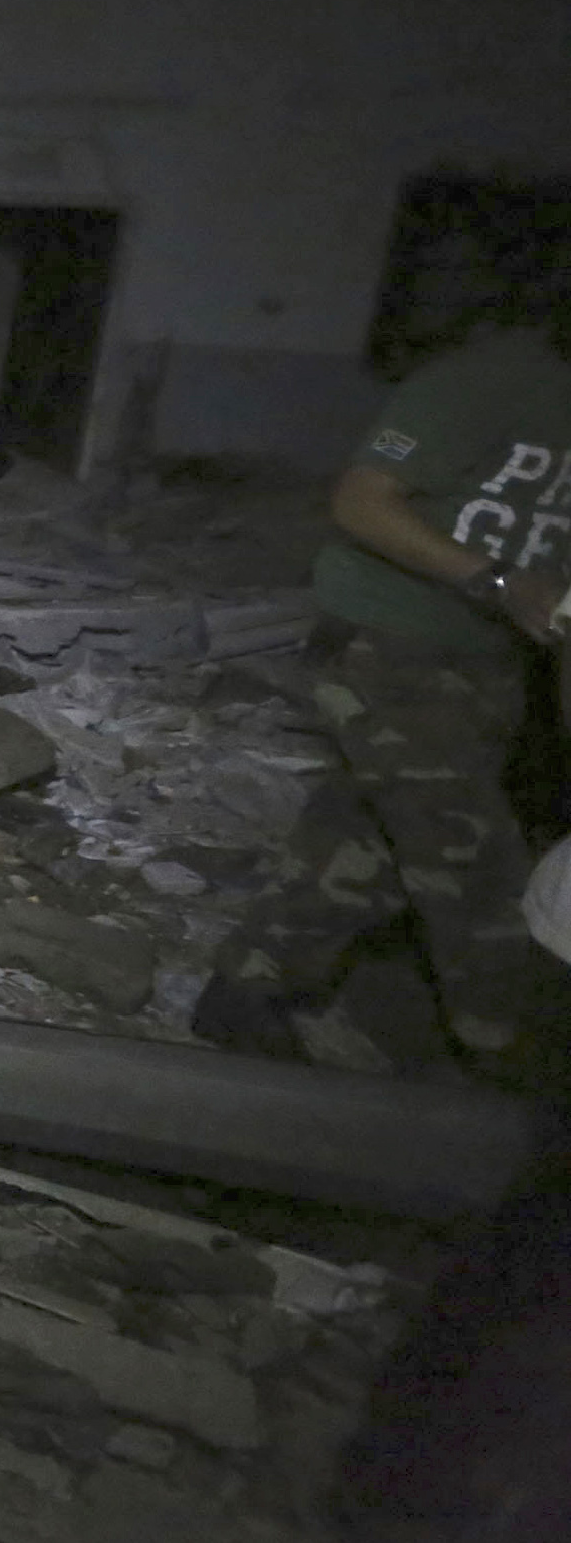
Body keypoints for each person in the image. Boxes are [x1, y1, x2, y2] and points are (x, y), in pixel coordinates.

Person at [198, 322, 571, 1075]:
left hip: (491, 659)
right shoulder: (493, 378)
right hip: (389, 641)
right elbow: (361, 501)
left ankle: (245, 990)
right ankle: (508, 1064)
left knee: (363, 840)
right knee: (474, 861)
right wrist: (495, 580)